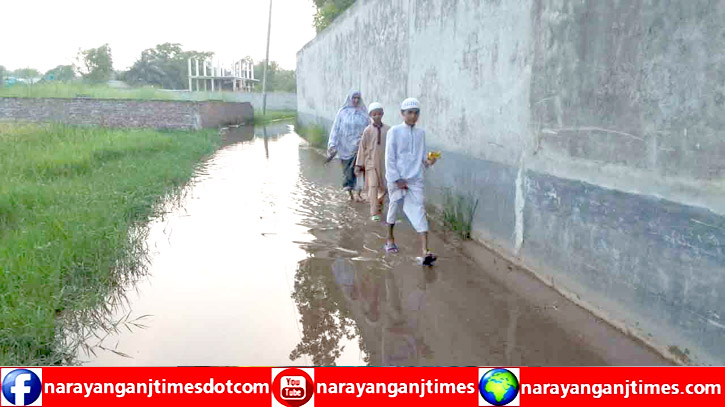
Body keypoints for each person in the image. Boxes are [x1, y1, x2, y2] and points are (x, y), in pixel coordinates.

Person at [383, 98, 438, 266]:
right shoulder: (394, 131)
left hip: (415, 179)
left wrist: (429, 162)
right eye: (410, 113)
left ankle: (425, 251)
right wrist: (396, 179)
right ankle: (390, 239)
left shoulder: (421, 134)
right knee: (394, 206)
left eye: (416, 113)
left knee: (419, 209)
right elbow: (389, 157)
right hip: (397, 178)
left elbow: (422, 157)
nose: (413, 116)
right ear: (402, 114)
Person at [327, 90, 369, 201]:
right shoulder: (342, 112)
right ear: (349, 99)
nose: (355, 100)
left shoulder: (364, 113)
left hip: (360, 147)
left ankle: (358, 193)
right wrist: (332, 144)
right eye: (353, 98)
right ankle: (350, 194)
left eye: (357, 98)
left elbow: (369, 129)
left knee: (360, 170)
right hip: (345, 147)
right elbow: (335, 128)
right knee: (347, 171)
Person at [355, 102, 390, 221]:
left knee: (383, 188)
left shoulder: (388, 130)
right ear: (370, 115)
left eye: (379, 114)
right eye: (374, 114)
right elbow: (362, 147)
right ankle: (374, 212)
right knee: (373, 186)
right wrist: (358, 165)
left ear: (382, 114)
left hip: (384, 163)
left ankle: (379, 203)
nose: (377, 116)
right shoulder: (367, 130)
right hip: (370, 163)